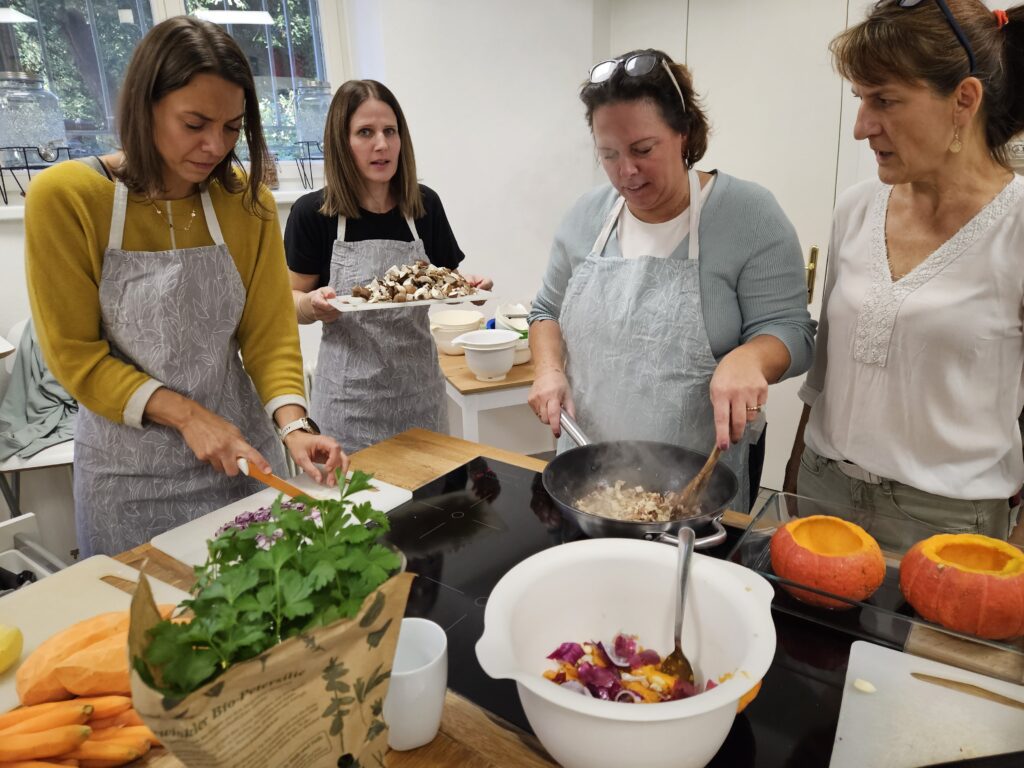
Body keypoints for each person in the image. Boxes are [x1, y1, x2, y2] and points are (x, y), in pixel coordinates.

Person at [24, 17, 346, 557]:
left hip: (242, 463)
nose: (214, 146)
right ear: (145, 105)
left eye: (231, 126)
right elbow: (75, 355)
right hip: (127, 477)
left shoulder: (249, 204)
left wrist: (295, 426)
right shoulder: (69, 198)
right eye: (194, 123)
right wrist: (191, 417)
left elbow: (267, 336)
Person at [527, 49, 815, 512]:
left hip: (694, 488)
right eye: (608, 154)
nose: (626, 171)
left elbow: (794, 333)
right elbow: (546, 313)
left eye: (643, 149)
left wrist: (751, 357)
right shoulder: (586, 218)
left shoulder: (749, 215)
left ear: (683, 133)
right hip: (589, 474)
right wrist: (548, 369)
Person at [785, 1, 1024, 547]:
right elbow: (823, 376)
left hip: (948, 523)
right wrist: (794, 477)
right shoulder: (857, 207)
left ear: (963, 99)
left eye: (885, 100)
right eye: (860, 99)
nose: (861, 128)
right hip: (826, 491)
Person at [285, 79, 491, 452]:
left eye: (390, 131)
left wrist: (469, 289)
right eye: (365, 132)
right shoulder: (313, 214)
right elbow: (289, 302)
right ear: (340, 142)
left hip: (420, 398)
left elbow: (445, 280)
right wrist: (311, 305)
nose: (381, 144)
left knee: (431, 508)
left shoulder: (424, 205)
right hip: (349, 407)